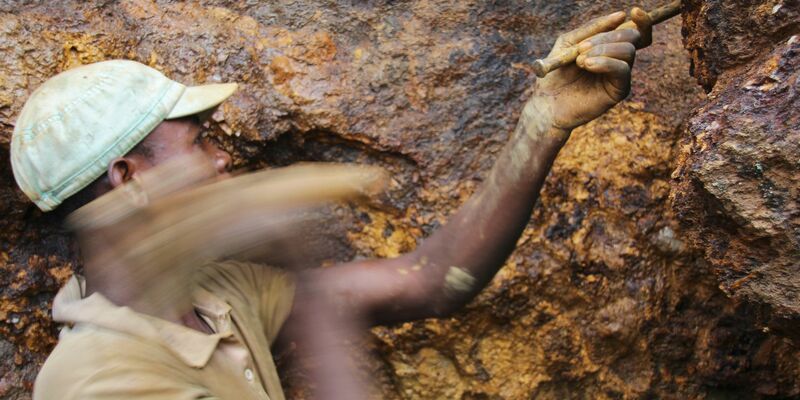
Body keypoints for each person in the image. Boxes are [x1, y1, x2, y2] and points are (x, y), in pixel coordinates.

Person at [14, 9, 653, 400]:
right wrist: (297, 251)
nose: (221, 160)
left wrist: (540, 123)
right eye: (199, 142)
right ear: (128, 178)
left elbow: (431, 282)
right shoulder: (98, 382)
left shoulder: (213, 297)